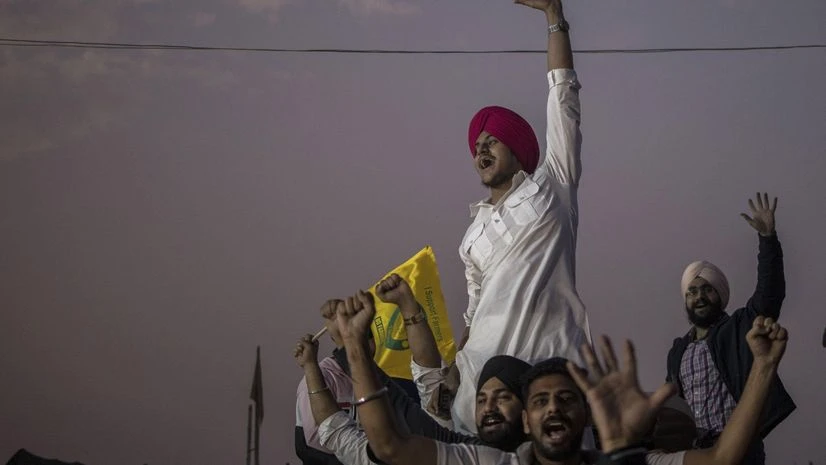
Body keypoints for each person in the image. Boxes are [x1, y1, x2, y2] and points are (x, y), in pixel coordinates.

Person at [453, 0, 592, 436]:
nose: (481, 149)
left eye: (492, 141)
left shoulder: (553, 186)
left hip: (548, 364)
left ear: (517, 151)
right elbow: (474, 312)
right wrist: (454, 365)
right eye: (477, 145)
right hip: (485, 382)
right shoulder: (471, 237)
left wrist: (554, 18)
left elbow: (563, 97)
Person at [334, 289, 670, 465]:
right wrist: (354, 347)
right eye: (481, 399)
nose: (553, 409)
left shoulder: (621, 453)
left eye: (565, 399)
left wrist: (624, 450)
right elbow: (390, 444)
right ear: (528, 418)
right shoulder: (478, 458)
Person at [665, 193, 795, 464]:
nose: (699, 297)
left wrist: (767, 239)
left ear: (720, 295)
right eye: (692, 292)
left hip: (741, 447)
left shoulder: (739, 328)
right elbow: (672, 403)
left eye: (707, 289)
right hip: (697, 453)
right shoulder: (678, 351)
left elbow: (769, 294)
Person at [646, 316, 790, 464]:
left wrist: (764, 363)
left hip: (738, 443)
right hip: (700, 446)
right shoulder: (679, 351)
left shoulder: (734, 330)